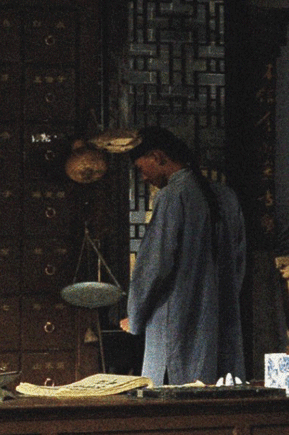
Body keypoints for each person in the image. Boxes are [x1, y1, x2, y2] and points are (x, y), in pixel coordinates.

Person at [110, 126, 247, 385]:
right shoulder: (227, 197)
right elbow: (238, 265)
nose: (143, 177)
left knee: (173, 393)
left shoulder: (173, 196)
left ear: (158, 157)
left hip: (176, 325)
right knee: (217, 393)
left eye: (141, 168)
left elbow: (154, 267)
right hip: (219, 323)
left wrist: (135, 317)